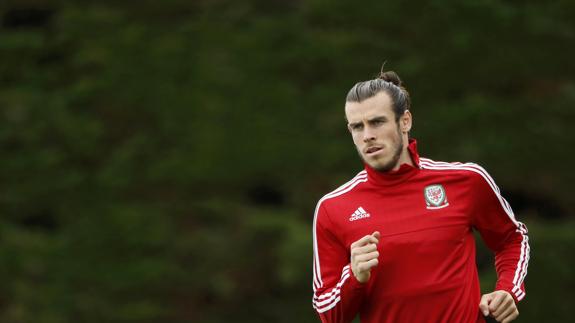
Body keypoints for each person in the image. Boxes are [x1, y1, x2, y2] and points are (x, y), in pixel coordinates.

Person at [311, 71, 530, 323]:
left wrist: (507, 290)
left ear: (405, 121)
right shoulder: (333, 208)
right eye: (357, 127)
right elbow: (328, 315)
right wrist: (354, 277)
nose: (367, 135)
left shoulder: (466, 180)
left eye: (377, 122)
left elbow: (512, 238)